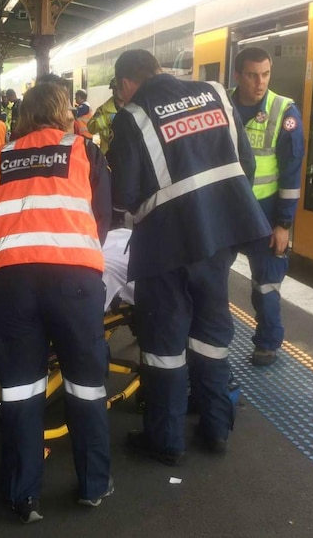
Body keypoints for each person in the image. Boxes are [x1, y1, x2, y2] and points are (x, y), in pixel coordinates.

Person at [106, 49, 271, 461]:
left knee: (164, 344)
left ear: (127, 82)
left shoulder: (133, 116)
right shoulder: (214, 92)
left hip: (165, 247)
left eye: (118, 89)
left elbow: (123, 194)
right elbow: (244, 163)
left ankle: (166, 441)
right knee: (211, 335)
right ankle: (216, 428)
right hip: (218, 240)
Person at [0, 83, 114, 523]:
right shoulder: (84, 151)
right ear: (61, 112)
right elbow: (103, 220)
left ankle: (23, 495)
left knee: (20, 390)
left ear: (23, 116)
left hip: (15, 284)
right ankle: (93, 485)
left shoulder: (0, 158)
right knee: (85, 385)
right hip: (75, 282)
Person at [230, 47, 305, 367]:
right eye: (251, 75)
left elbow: (290, 171)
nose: (259, 83)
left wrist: (284, 224)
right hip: (228, 211)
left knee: (267, 283)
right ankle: (210, 337)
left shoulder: (284, 111)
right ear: (237, 76)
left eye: (265, 74)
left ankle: (267, 343)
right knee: (209, 279)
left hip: (265, 212)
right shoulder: (221, 107)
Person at [87, 78, 123, 154]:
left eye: (123, 88)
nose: (122, 91)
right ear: (113, 90)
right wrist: (107, 119)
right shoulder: (103, 109)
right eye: (118, 89)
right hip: (108, 155)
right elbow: (91, 128)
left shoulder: (134, 108)